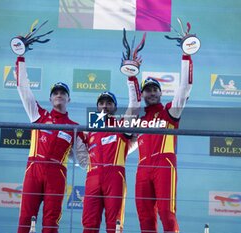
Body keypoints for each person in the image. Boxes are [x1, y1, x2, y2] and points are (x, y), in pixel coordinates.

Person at [15, 56, 88, 233]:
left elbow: (84, 160)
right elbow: (23, 89)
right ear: (50, 99)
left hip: (57, 174)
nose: (59, 95)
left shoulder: (74, 128)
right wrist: (21, 57)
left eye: (63, 93)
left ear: (68, 99)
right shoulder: (38, 115)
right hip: (34, 168)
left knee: (51, 219)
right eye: (55, 92)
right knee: (25, 216)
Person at [135, 54, 193, 233]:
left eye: (155, 90)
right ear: (142, 94)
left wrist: (186, 55)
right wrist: (131, 75)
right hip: (142, 167)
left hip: (164, 164)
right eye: (148, 90)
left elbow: (185, 88)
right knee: (145, 216)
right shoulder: (138, 120)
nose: (152, 93)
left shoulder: (170, 112)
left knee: (166, 212)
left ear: (161, 92)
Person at [82, 77, 140, 233]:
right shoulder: (90, 129)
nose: (104, 106)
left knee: (114, 224)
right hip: (92, 177)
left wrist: (131, 77)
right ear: (96, 107)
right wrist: (87, 166)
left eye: (109, 103)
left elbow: (134, 107)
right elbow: (77, 153)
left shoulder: (121, 125)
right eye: (101, 103)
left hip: (114, 176)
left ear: (115, 107)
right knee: (89, 223)